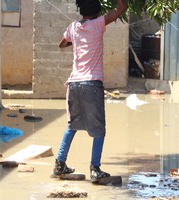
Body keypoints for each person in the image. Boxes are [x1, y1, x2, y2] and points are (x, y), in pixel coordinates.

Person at [53, 0, 128, 183]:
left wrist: (77, 41)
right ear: (97, 9)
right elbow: (122, 8)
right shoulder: (98, 24)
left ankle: (59, 164)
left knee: (72, 125)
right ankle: (95, 168)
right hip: (91, 83)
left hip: (73, 84)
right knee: (99, 129)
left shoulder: (73, 27)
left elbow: (62, 44)